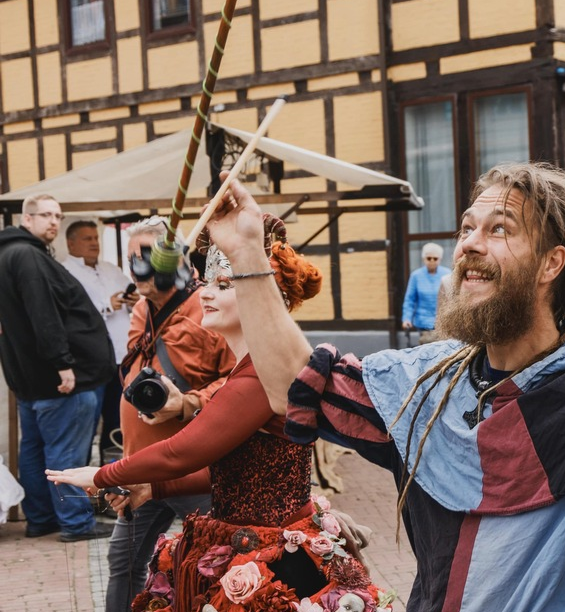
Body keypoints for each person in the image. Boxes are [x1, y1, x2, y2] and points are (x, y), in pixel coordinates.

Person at [194, 162, 565, 612]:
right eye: (467, 228)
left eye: (499, 229)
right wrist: (248, 251)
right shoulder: (427, 383)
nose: (470, 244)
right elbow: (297, 386)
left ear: (552, 264)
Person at [49, 215, 389, 612]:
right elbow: (233, 469)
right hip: (247, 540)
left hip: (277, 560)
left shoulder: (261, 375)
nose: (206, 294)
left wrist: (101, 474)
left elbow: (185, 451)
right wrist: (153, 488)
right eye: (209, 282)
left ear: (262, 298)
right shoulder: (248, 368)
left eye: (224, 286)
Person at [100, 217, 236, 612]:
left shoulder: (212, 303)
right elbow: (132, 370)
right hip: (140, 466)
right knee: (123, 564)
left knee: (214, 564)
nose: (135, 268)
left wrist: (188, 402)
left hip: (193, 469)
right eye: (130, 258)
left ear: (173, 259)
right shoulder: (142, 308)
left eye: (145, 257)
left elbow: (242, 379)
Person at [0, 194, 115, 541]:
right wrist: (63, 365)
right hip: (61, 381)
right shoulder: (27, 257)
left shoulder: (9, 255)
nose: (53, 221)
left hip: (29, 380)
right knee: (65, 455)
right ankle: (76, 523)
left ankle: (41, 519)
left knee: (36, 453)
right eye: (46, 215)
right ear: (27, 219)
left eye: (58, 215)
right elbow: (44, 316)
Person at [63, 219, 137, 460]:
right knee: (87, 422)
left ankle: (114, 478)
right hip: (89, 361)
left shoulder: (110, 269)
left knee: (119, 419)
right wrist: (106, 305)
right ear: (71, 243)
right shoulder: (65, 272)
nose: (94, 243)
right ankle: (83, 479)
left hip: (121, 355)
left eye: (95, 238)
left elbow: (132, 292)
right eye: (87, 239)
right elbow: (69, 312)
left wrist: (132, 301)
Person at [401, 242, 450, 344]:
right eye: (428, 258)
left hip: (443, 322)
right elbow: (410, 299)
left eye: (435, 258)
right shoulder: (416, 276)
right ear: (424, 259)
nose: (432, 261)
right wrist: (406, 319)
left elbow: (453, 298)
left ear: (440, 259)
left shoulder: (447, 274)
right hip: (423, 323)